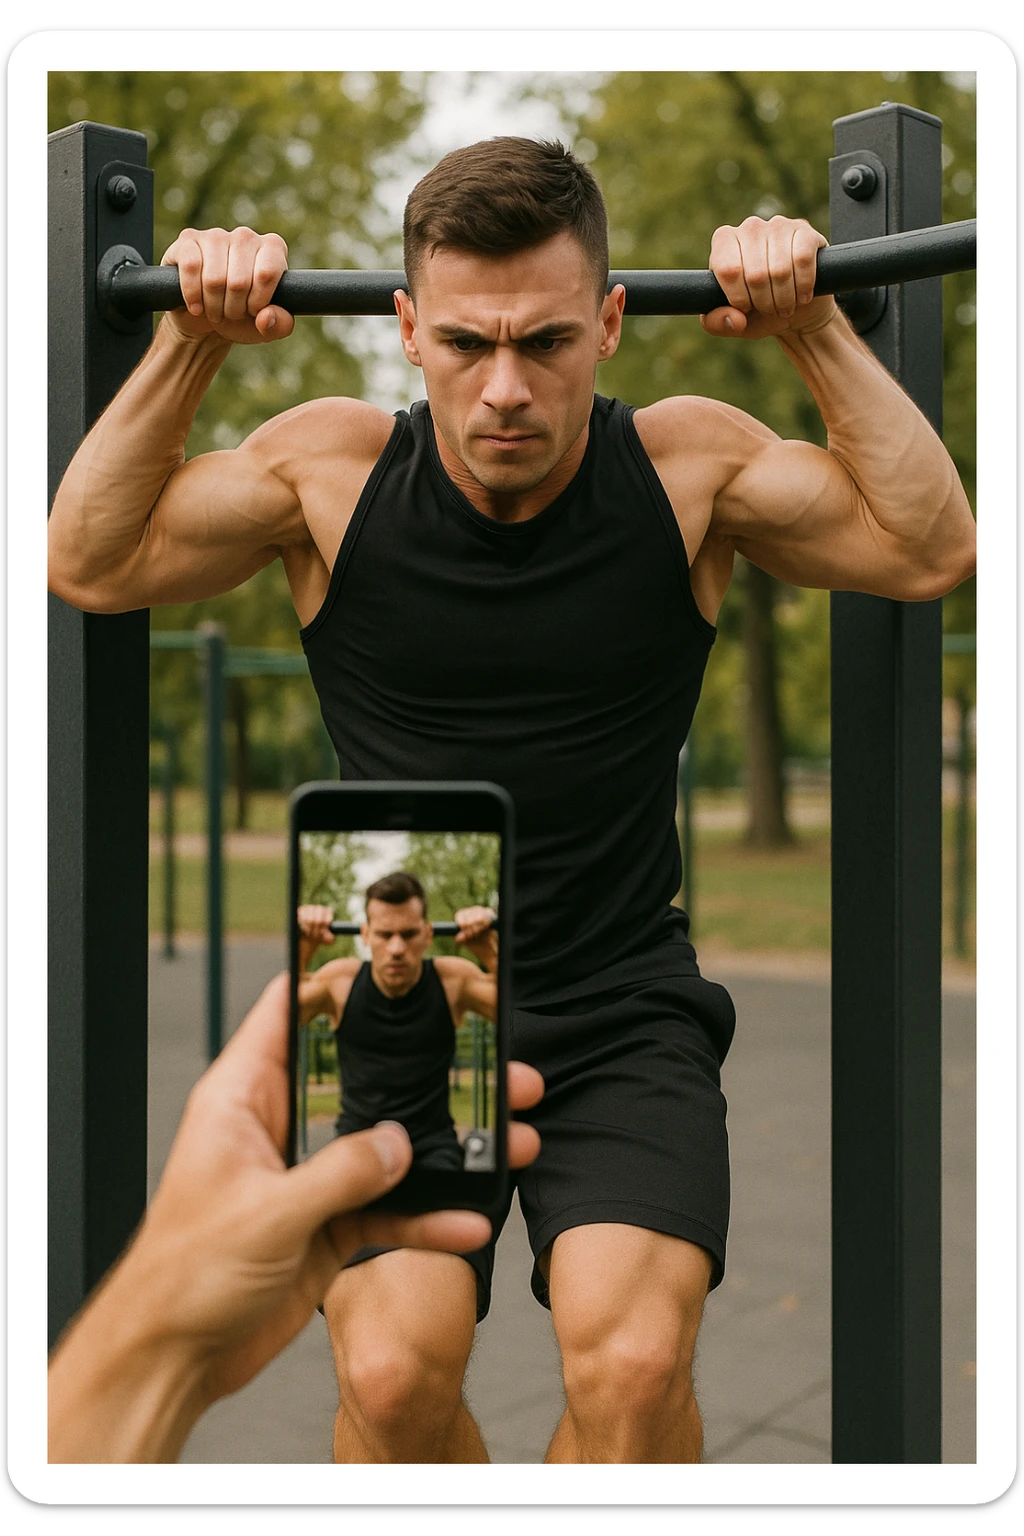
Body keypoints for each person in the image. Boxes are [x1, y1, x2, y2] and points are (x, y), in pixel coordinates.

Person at [47, 137, 976, 1463]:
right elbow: (88, 560)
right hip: (389, 980)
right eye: (468, 343)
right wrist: (192, 340)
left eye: (545, 341)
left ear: (609, 323)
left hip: (619, 991)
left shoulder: (681, 466)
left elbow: (928, 541)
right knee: (388, 1373)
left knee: (637, 1364)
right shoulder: (332, 471)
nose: (505, 389)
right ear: (407, 329)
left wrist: (812, 325)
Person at [46, 973, 544, 1464]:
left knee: (622, 1371)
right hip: (403, 1104)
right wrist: (166, 1331)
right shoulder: (350, 982)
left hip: (596, 1004)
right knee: (386, 1381)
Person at [296, 872, 498, 1168]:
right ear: (365, 935)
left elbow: (520, 1015)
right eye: (384, 935)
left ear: (428, 934)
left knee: (458, 1209)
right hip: (356, 1143)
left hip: (432, 1146)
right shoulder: (339, 982)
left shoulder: (452, 981)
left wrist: (491, 955)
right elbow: (280, 1019)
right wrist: (301, 949)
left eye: (409, 934)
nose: (397, 949)